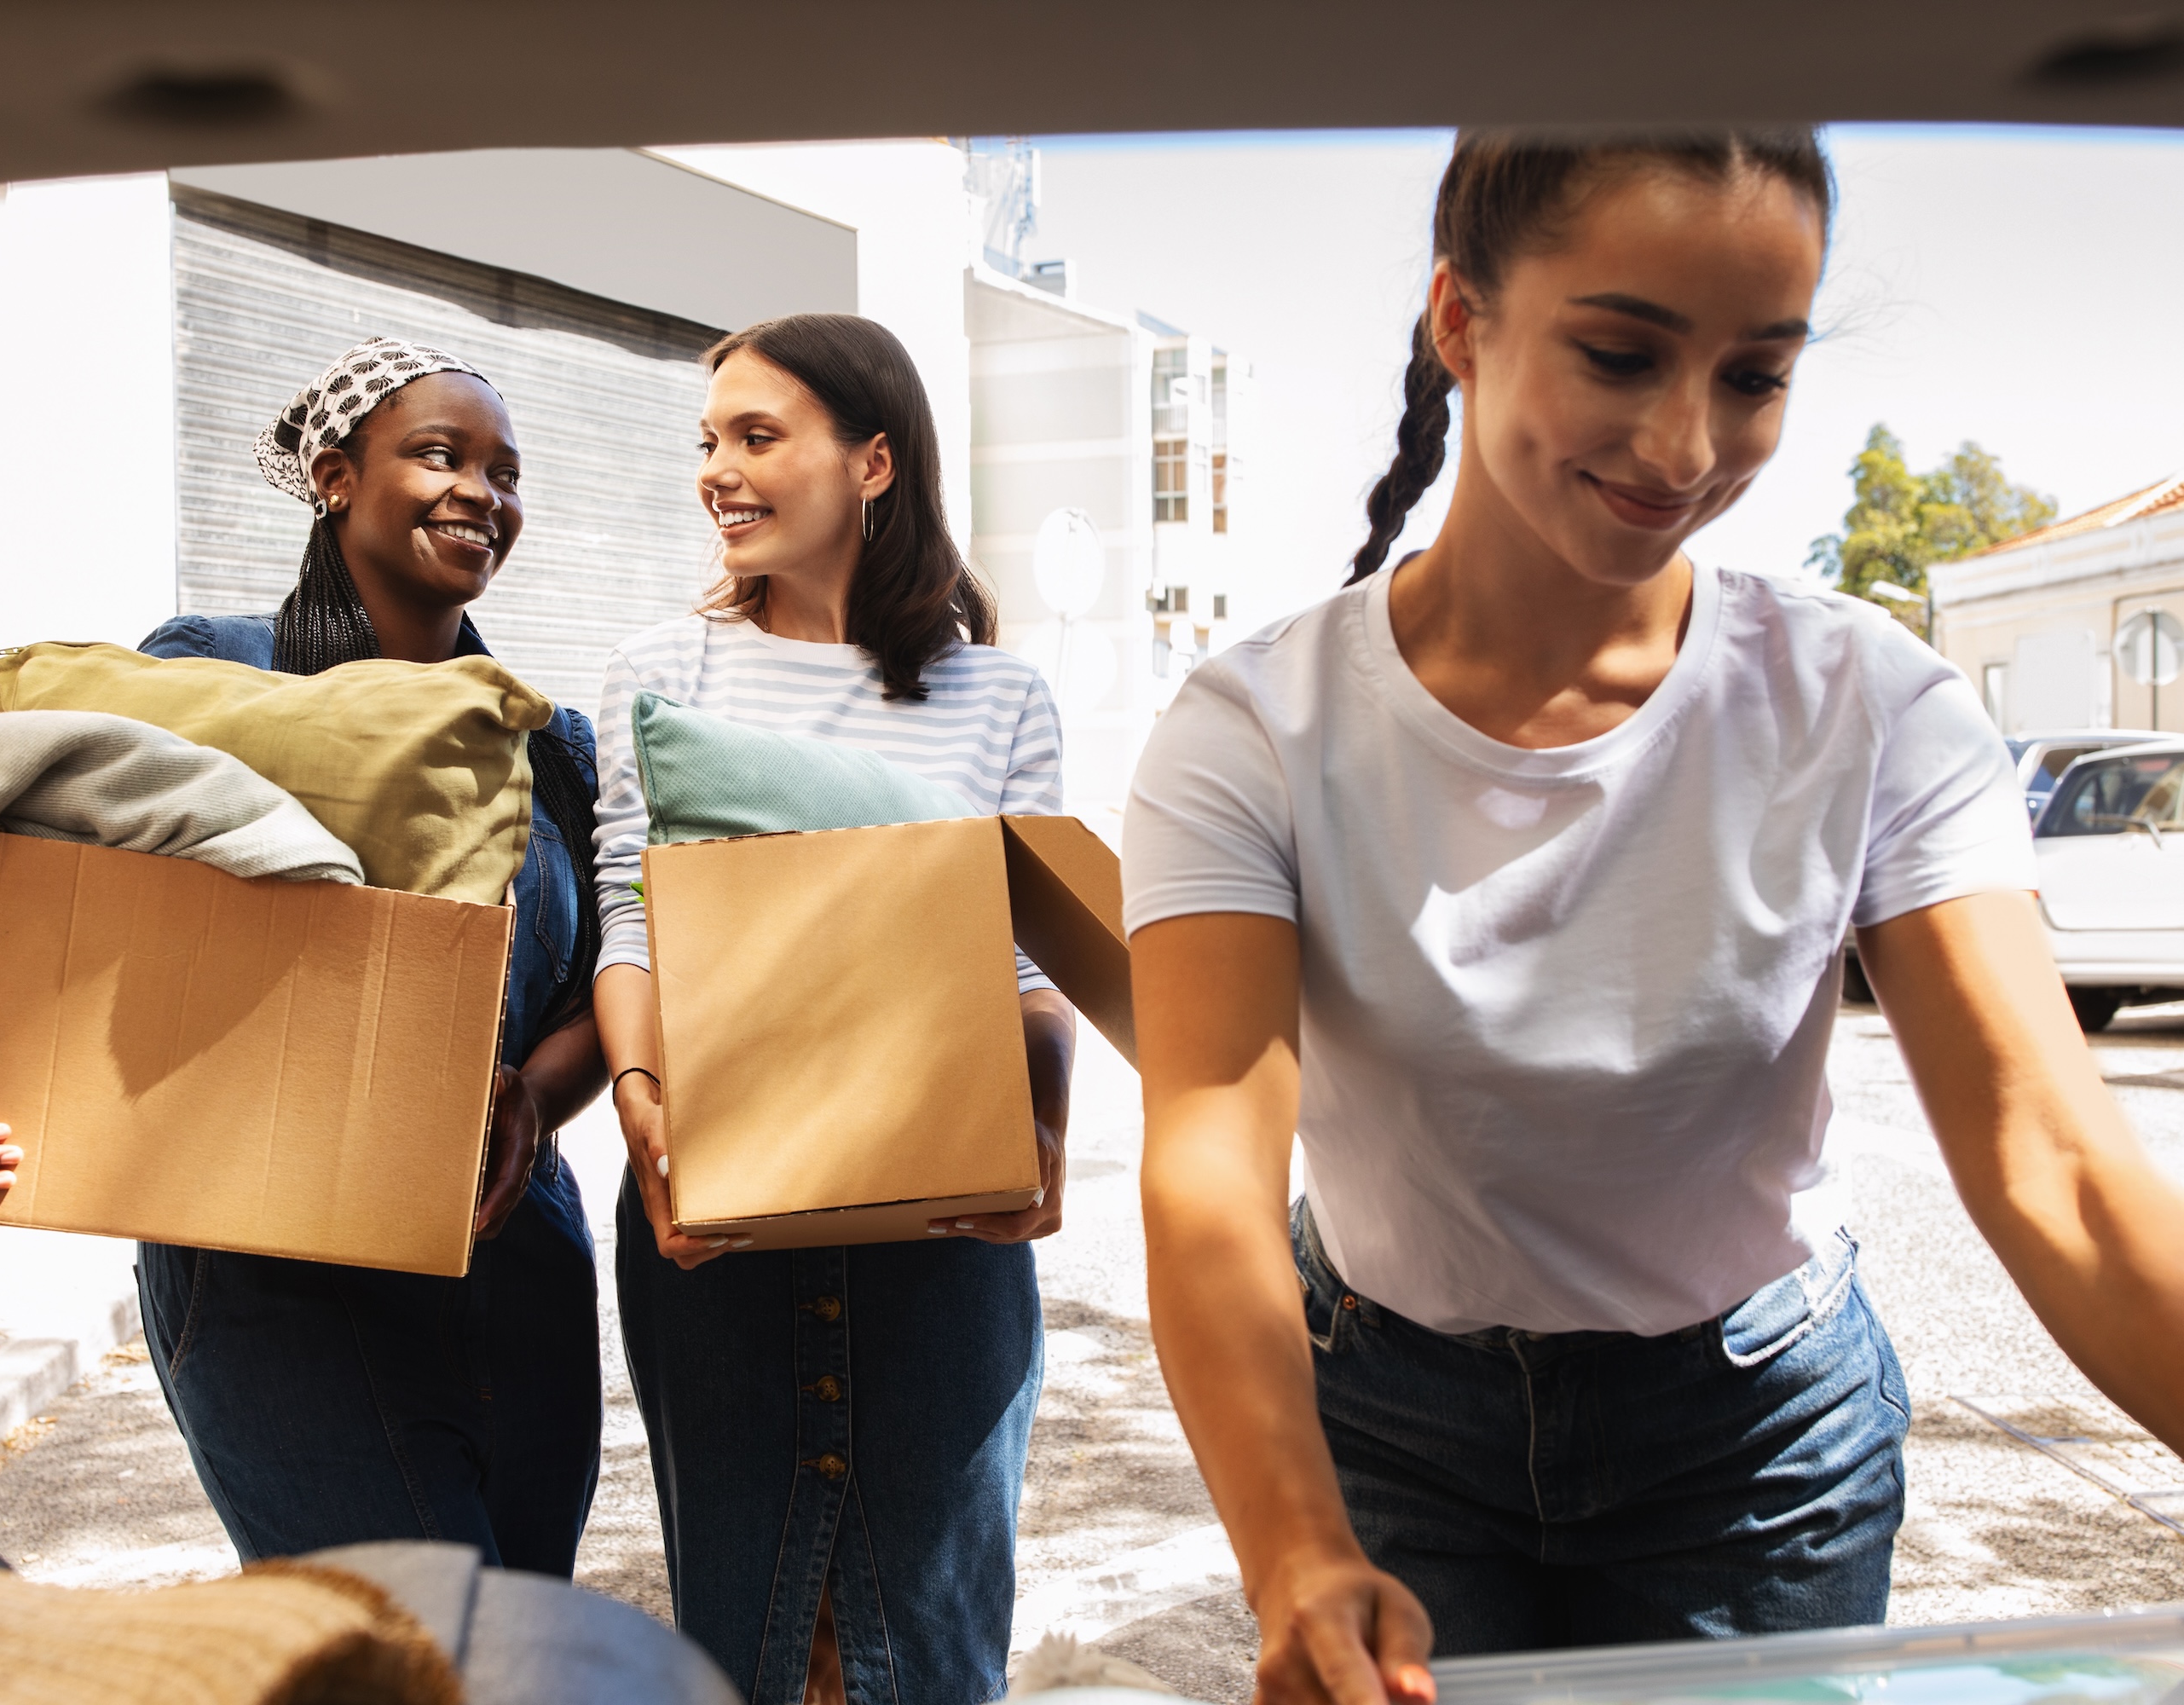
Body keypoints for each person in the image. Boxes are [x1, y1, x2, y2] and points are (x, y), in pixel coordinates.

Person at [1126, 129, 2184, 1704]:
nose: (1687, 445)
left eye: (1756, 376)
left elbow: (2056, 1159)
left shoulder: (1869, 704)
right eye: (1621, 354)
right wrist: (1294, 1552)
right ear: (1459, 320)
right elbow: (1211, 1162)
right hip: (1390, 1425)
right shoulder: (1257, 727)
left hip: (1755, 1444)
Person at [0, 337, 610, 1573]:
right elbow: (77, 912)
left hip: (506, 1256)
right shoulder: (209, 674)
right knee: (416, 1651)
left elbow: (596, 993)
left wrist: (533, 1094)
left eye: (507, 471)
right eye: (441, 454)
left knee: (527, 1637)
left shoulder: (552, 745)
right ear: (334, 475)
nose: (483, 492)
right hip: (271, 1270)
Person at [590, 314, 1075, 1705]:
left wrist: (1046, 1134)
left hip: (944, 1232)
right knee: (752, 1634)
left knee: (925, 1646)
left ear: (873, 462)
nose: (719, 474)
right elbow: (632, 918)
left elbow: (1028, 968)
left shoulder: (998, 694)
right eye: (710, 443)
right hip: (717, 1206)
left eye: (757, 438)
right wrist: (645, 1119)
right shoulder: (658, 675)